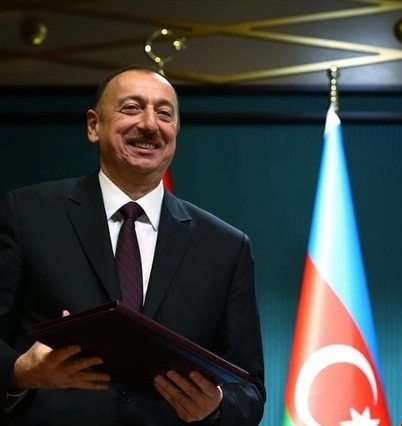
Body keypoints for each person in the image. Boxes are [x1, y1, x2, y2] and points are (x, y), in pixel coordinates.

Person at [0, 65, 266, 425]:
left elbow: (250, 390)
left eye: (164, 114)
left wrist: (215, 407)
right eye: (131, 108)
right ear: (94, 125)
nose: (150, 124)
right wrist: (19, 372)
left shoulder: (226, 247)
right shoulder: (27, 213)